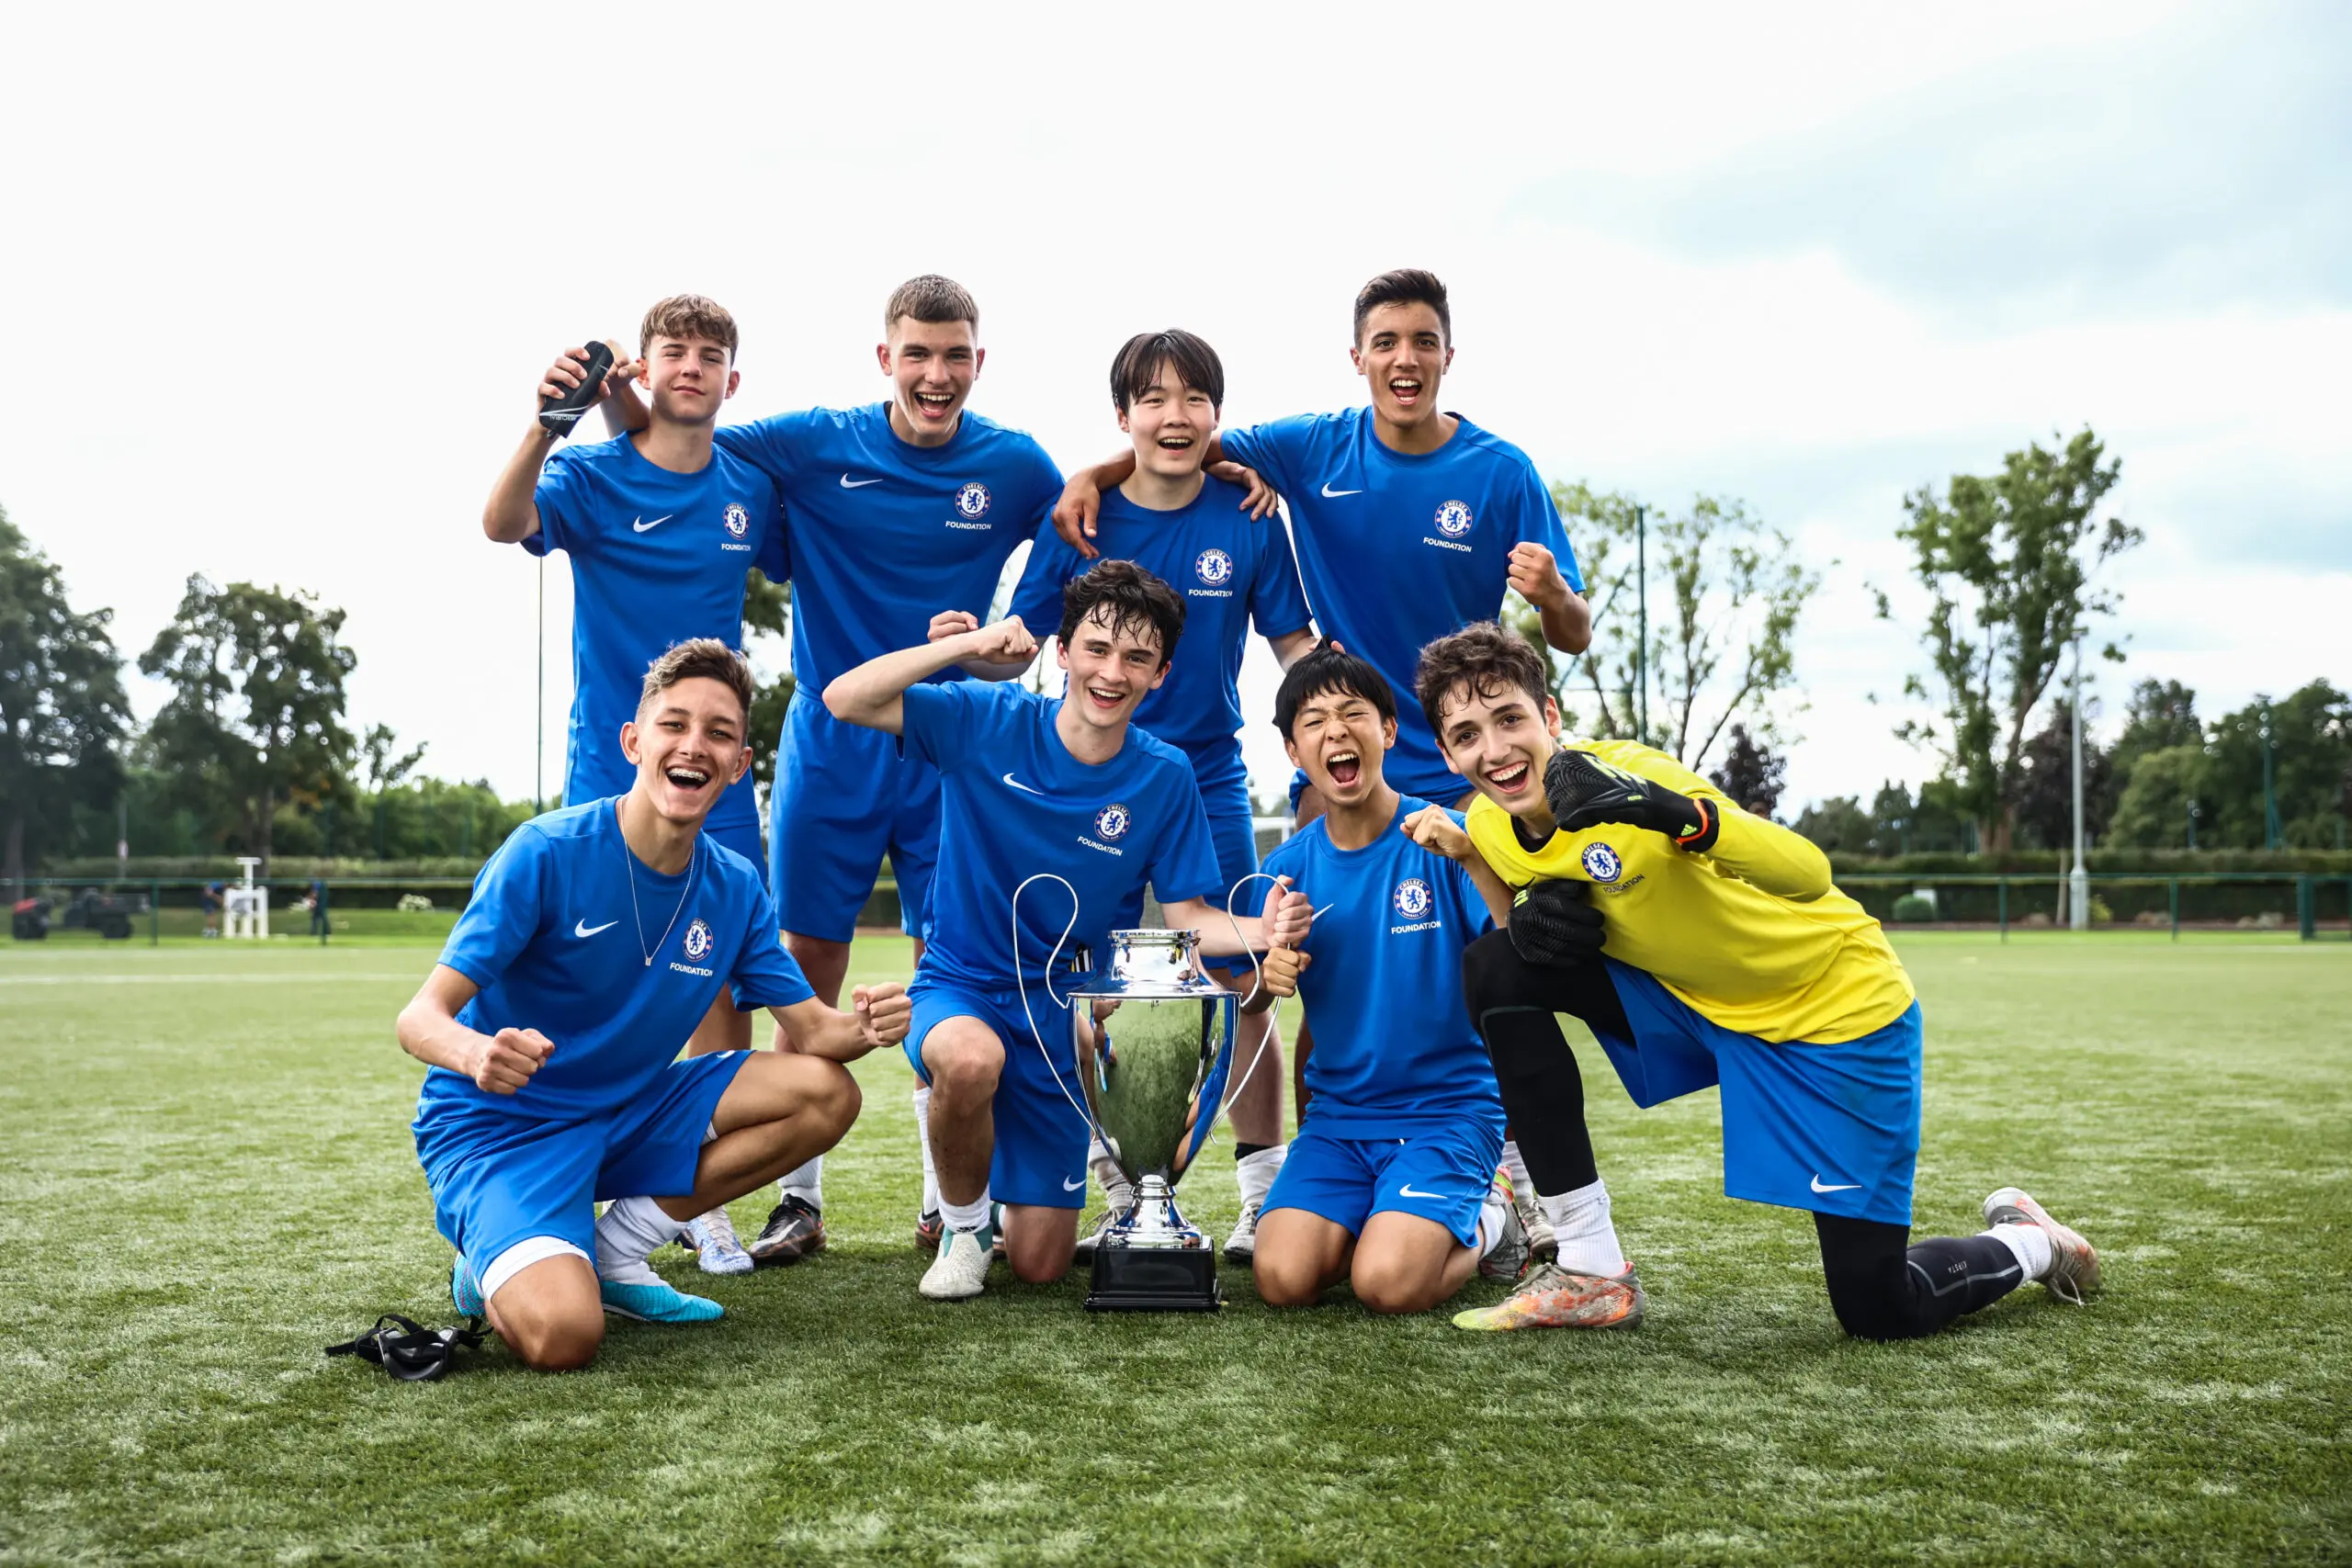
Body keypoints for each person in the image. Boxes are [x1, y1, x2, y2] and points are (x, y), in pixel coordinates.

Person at [1051, 269, 1592, 1251]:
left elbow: (1574, 630)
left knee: (1493, 977)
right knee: (1299, 961)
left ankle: (1516, 1181)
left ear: (1446, 355)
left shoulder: (1500, 470)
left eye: (1421, 341)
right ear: (1358, 358)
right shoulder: (1310, 446)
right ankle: (1286, 1184)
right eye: (1384, 342)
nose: (1403, 359)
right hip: (1339, 758)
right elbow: (1179, 445)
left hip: (1465, 766)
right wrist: (1087, 476)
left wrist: (1551, 593)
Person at [1410, 621, 2101, 1337]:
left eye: (1510, 718)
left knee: (1878, 1308)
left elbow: (1808, 872)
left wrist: (1665, 809)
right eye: (1466, 734)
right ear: (1446, 751)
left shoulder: (1631, 774)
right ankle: (1590, 1267)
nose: (1494, 750)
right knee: (1495, 965)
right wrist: (1495, 886)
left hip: (1833, 1013)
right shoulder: (1490, 823)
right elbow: (1518, 946)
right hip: (1693, 1008)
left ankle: (2033, 1240)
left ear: (1550, 716)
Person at [598, 276, 1063, 1267]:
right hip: (829, 741)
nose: (935, 375)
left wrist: (1016, 635)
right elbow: (686, 431)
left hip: (953, 742)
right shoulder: (808, 442)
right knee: (805, 966)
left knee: (961, 966)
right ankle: (796, 1203)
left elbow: (1075, 532)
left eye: (954, 356)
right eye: (917, 354)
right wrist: (610, 398)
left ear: (978, 363)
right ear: (883, 358)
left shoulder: (1016, 465)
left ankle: (949, 1201)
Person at [394, 641, 910, 1371]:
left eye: (720, 733)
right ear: (635, 741)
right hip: (503, 1128)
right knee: (565, 1337)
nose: (694, 745)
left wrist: (869, 1023)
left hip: (629, 1110)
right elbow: (418, 1019)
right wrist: (477, 1051)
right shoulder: (546, 851)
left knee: (825, 1093)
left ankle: (615, 1249)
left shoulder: (733, 886)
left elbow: (817, 1032)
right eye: (674, 724)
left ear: (738, 765)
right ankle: (493, 1260)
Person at [823, 560, 1312, 1301]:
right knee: (967, 1058)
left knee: (1042, 1263)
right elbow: (845, 697)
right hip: (964, 987)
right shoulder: (984, 719)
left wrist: (1262, 927)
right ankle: (961, 1223)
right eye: (1096, 648)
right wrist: (971, 646)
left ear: (1162, 672)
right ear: (1062, 650)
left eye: (1137, 657)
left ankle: (1048, 1193)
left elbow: (1189, 920)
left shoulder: (1166, 775)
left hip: (1066, 1016)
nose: (1112, 671)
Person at [973, 329, 1317, 1263]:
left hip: (1202, 771)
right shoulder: (1078, 513)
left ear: (1217, 413)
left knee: (1243, 974)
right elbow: (1024, 641)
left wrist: (1342, 710)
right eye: (1154, 400)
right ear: (1122, 419)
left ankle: (1258, 1193)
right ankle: (1115, 1185)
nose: (1176, 416)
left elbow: (1292, 646)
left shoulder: (1249, 514)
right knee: (1085, 977)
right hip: (1092, 776)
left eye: (1195, 398)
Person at [494, 297, 786, 1273]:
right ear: (644, 369)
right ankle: (564, 1159)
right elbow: (501, 523)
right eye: (675, 353)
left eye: (712, 356)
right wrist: (549, 422)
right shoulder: (587, 469)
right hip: (607, 763)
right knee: (599, 966)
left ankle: (692, 1204)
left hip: (718, 770)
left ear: (732, 380)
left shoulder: (747, 485)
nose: (693, 368)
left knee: (719, 967)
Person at [1243, 645, 1530, 1314]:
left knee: (1387, 1285)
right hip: (1340, 1122)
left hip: (1448, 1113)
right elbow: (1254, 997)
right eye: (1314, 722)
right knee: (1281, 1279)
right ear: (1293, 751)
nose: (1336, 732)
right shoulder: (1285, 870)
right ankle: (1387, 1213)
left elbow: (1524, 952)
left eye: (1353, 714)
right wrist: (1270, 971)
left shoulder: (1447, 839)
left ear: (1389, 731)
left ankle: (1495, 1216)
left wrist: (1477, 860)